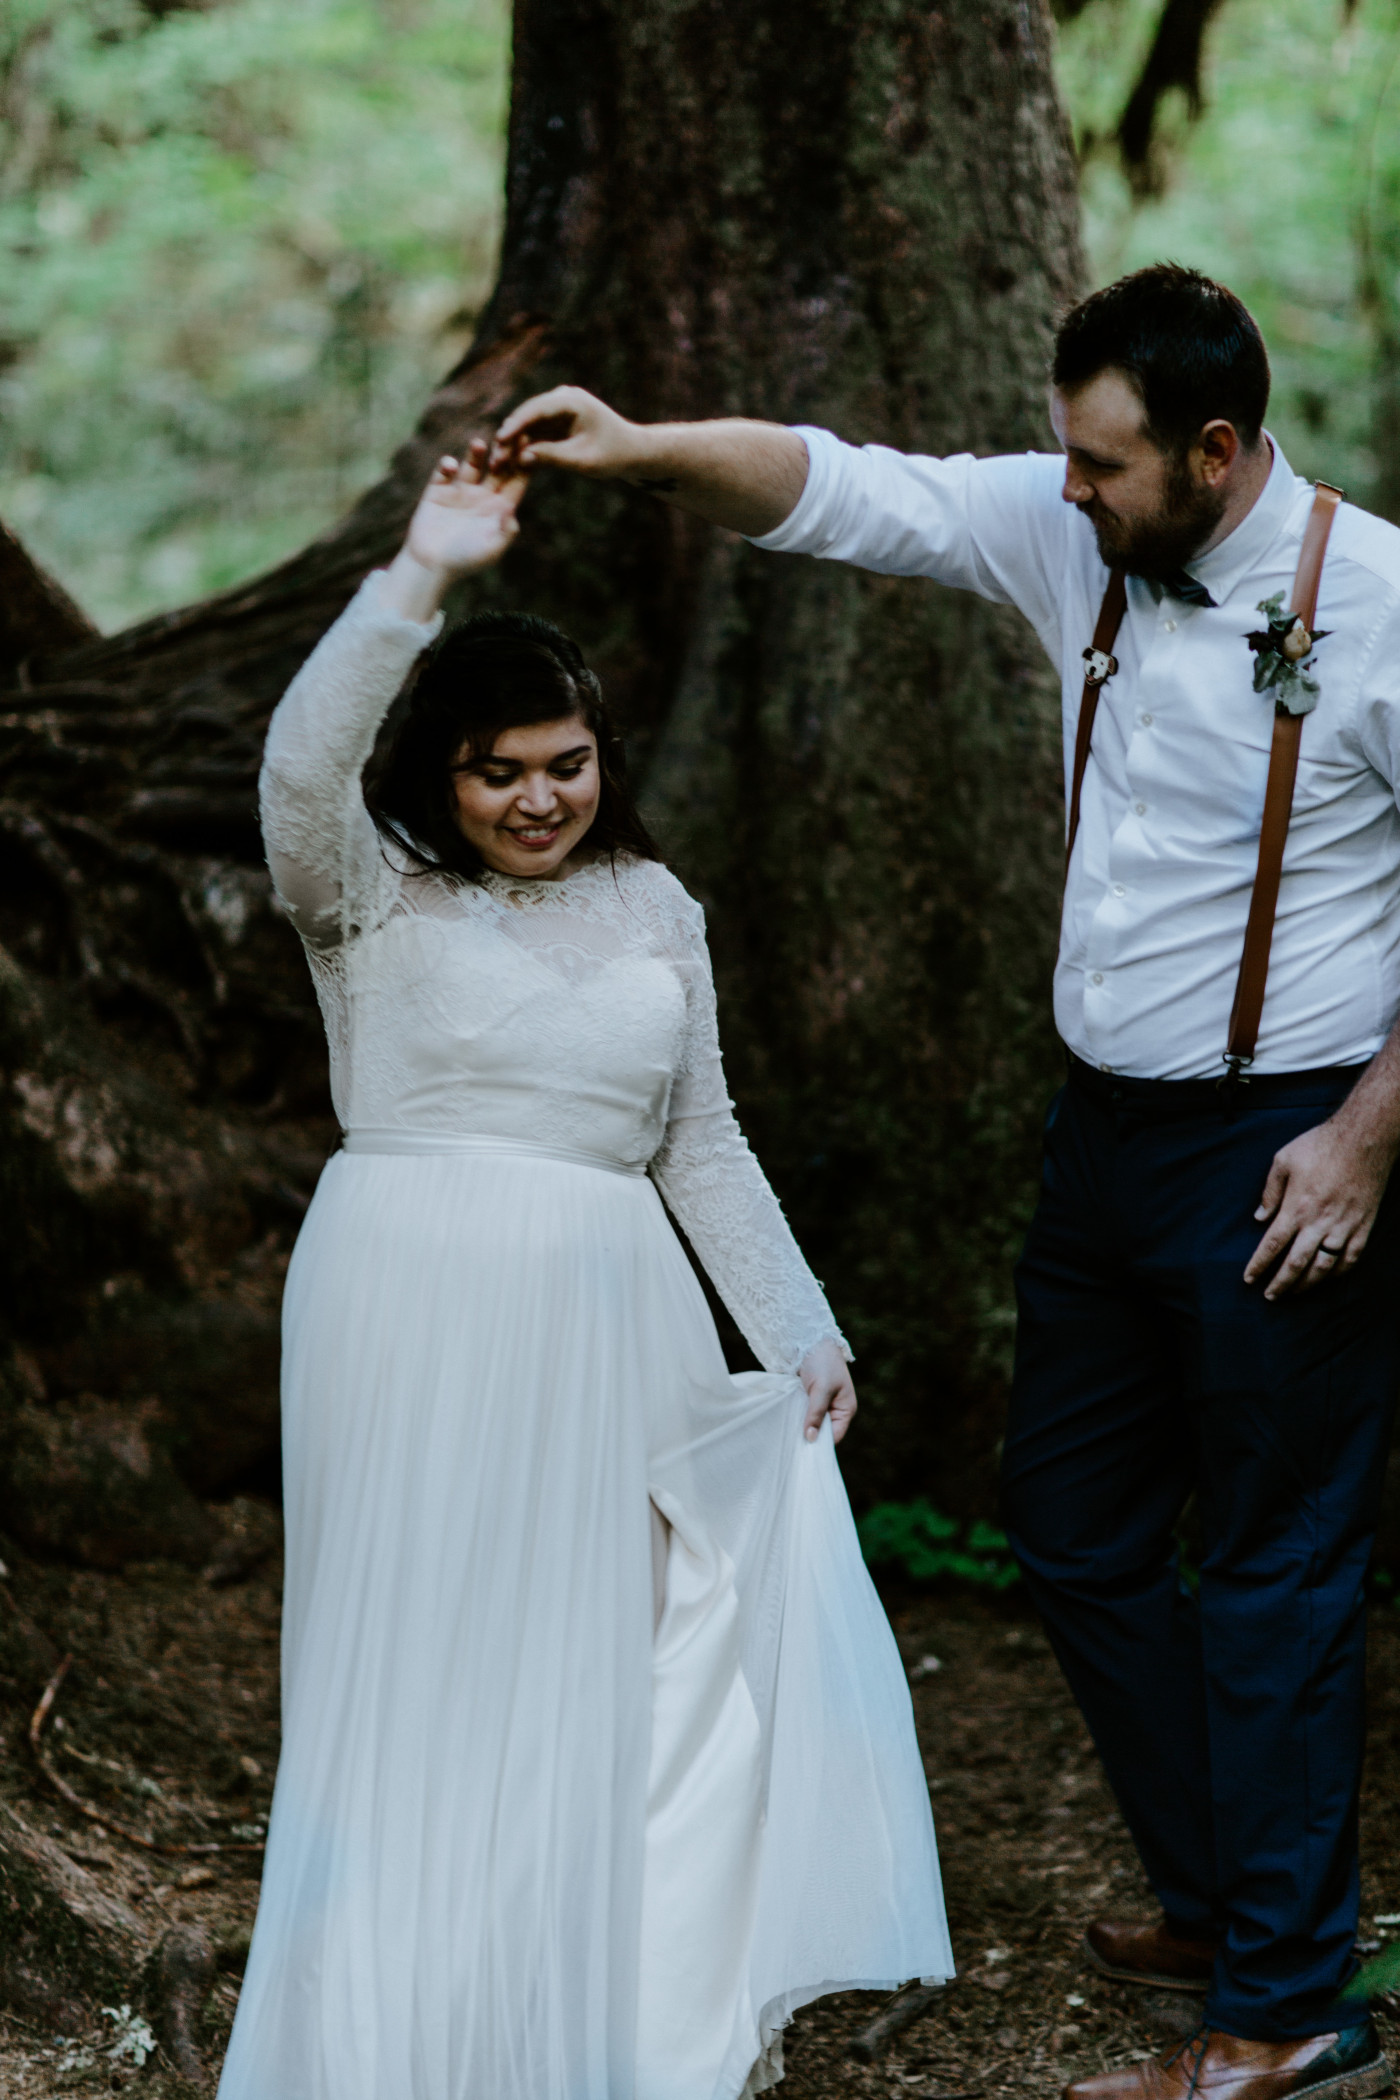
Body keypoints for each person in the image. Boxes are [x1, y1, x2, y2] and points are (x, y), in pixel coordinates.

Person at [491, 262, 1400, 2100]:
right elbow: (844, 486)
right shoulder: (1080, 541)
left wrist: (1369, 1136)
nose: (1066, 491)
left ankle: (1293, 2003)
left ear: (1216, 453)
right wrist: (642, 447)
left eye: (1104, 467)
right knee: (1068, 1530)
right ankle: (1242, 1899)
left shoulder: (1380, 603)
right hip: (1101, 1142)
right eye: (1065, 461)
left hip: (1290, 1142)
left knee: (1276, 1572)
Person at [216, 447, 952, 2100]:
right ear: (444, 775)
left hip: (615, 1309)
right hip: (407, 1303)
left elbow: (703, 1141)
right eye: (497, 772)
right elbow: (295, 767)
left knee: (628, 1650)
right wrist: (418, 572)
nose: (538, 799)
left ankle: (598, 2011)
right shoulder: (364, 898)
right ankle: (396, 2029)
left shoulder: (655, 906)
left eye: (564, 765)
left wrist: (800, 1326)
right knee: (422, 1657)